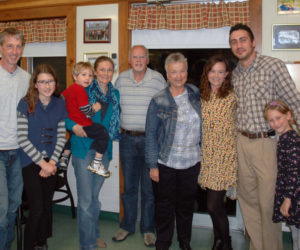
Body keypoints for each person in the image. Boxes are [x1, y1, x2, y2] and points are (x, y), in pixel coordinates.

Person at [229, 23, 300, 250]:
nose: (238, 45)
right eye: (233, 42)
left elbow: (293, 104)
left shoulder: (273, 66)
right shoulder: (235, 74)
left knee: (268, 204)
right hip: (242, 142)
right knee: (248, 202)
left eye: (242, 40)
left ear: (253, 42)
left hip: (267, 144)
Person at [145, 52, 201, 250]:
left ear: (187, 71)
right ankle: (163, 244)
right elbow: (150, 134)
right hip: (166, 163)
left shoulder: (195, 93)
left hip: (192, 162)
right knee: (165, 208)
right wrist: (153, 165)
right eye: (173, 72)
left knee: (186, 207)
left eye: (182, 71)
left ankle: (185, 243)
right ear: (167, 74)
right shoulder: (158, 100)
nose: (178, 76)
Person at [112, 45, 166, 246]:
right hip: (126, 140)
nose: (138, 60)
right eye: (135, 56)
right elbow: (114, 107)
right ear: (129, 59)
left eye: (142, 57)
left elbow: (165, 108)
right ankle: (126, 226)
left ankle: (148, 229)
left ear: (147, 59)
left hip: (150, 141)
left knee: (149, 189)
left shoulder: (158, 79)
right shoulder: (120, 79)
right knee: (129, 187)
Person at [65, 56, 120, 250]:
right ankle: (87, 245)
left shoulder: (115, 94)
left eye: (109, 70)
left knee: (94, 198)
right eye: (102, 69)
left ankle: (93, 235)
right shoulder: (83, 89)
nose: (106, 73)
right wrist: (74, 126)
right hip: (83, 149)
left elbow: (112, 122)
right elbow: (67, 115)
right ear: (95, 71)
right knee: (87, 200)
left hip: (102, 152)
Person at [17, 64, 67, 250]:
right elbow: (22, 138)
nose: (47, 86)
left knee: (46, 207)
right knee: (36, 208)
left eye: (50, 81)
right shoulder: (25, 103)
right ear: (35, 84)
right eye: (42, 82)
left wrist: (52, 162)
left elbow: (61, 136)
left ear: (55, 83)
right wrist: (42, 164)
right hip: (30, 162)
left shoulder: (60, 104)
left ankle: (42, 243)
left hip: (51, 162)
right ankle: (28, 246)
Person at [198, 55, 237, 250]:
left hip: (226, 157)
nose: (216, 75)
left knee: (214, 205)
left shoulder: (233, 96)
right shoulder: (202, 95)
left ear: (227, 74)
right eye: (213, 71)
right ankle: (219, 240)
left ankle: (225, 241)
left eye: (221, 71)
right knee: (213, 205)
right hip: (208, 156)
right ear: (207, 73)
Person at [0, 27, 30, 250]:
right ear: (1, 48)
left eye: (18, 46)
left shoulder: (26, 78)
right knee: (1, 209)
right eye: (9, 45)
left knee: (13, 206)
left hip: (19, 151)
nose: (14, 51)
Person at [61, 62, 110, 177]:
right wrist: (95, 108)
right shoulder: (80, 90)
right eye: (84, 75)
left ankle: (64, 157)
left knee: (72, 135)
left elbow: (61, 99)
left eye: (90, 75)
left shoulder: (70, 89)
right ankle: (96, 163)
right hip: (83, 123)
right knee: (103, 132)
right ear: (74, 76)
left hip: (76, 123)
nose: (87, 78)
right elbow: (86, 111)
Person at [264, 100, 300, 250]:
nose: (275, 123)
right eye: (271, 120)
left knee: (297, 236)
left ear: (288, 115)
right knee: (295, 233)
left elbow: (294, 172)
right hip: (293, 194)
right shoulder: (285, 138)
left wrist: (287, 199)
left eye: (278, 118)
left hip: (294, 195)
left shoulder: (290, 140)